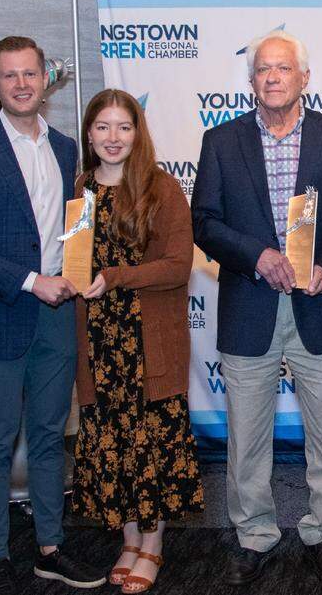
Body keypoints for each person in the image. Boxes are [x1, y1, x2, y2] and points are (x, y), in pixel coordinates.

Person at [192, 30, 322, 585]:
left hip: (319, 305)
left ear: (304, 78)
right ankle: (254, 534)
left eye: (283, 68)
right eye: (263, 69)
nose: (272, 77)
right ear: (251, 81)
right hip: (250, 305)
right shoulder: (221, 141)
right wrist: (257, 255)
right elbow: (206, 223)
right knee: (246, 436)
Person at [0, 36, 104, 594]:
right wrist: (32, 282)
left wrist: (80, 272)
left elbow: (70, 228)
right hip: (0, 315)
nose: (22, 84)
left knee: (52, 437)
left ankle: (51, 549)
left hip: (59, 316)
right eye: (10, 76)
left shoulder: (64, 148)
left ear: (45, 80)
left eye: (31, 73)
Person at [70, 89, 204, 593]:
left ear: (138, 133)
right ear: (89, 133)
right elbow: (78, 262)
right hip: (99, 347)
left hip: (149, 344)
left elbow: (177, 266)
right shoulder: (81, 188)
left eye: (123, 127)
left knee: (152, 445)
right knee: (113, 445)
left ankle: (153, 545)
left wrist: (117, 276)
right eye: (102, 127)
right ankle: (128, 539)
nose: (112, 138)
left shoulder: (161, 188)